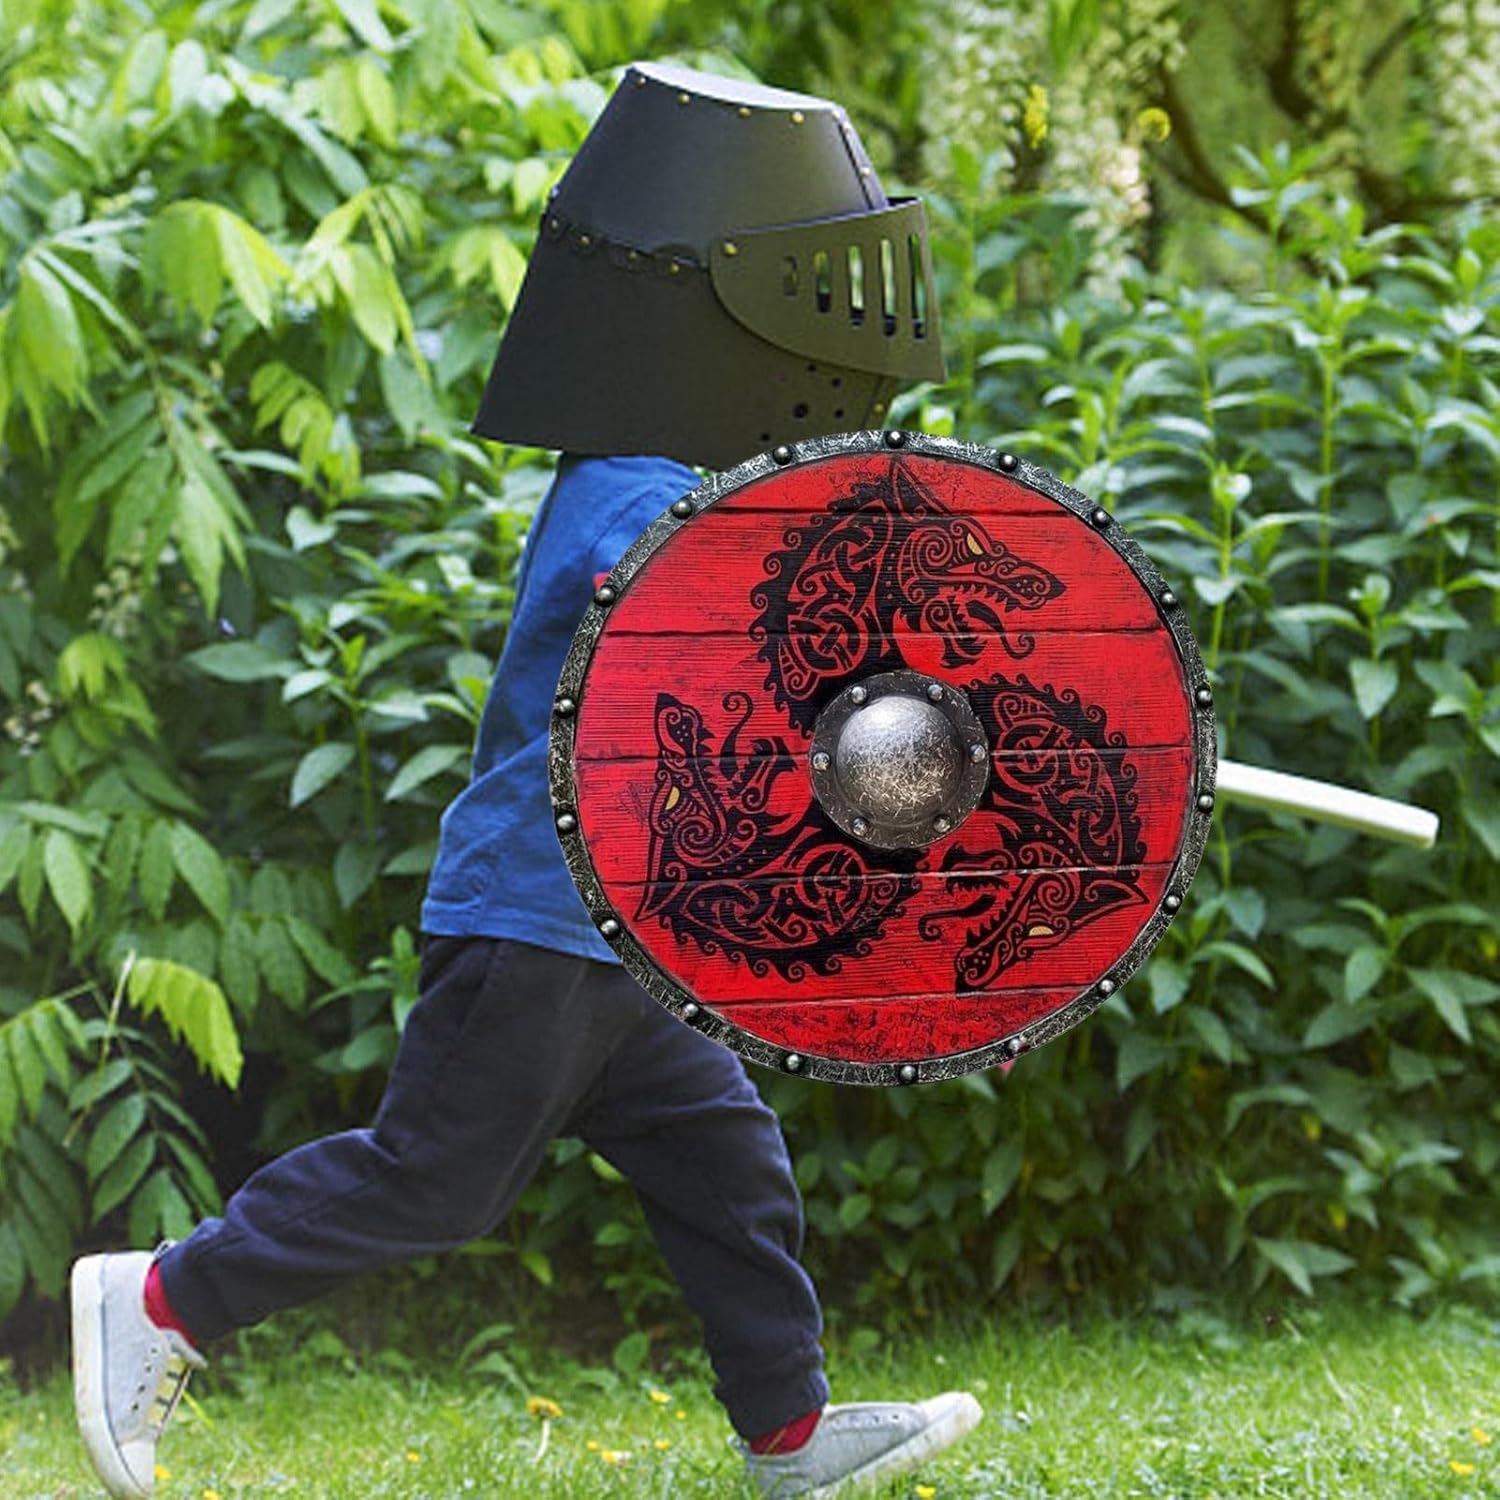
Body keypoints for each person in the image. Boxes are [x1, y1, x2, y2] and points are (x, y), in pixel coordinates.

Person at [70, 60, 980, 1499]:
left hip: (628, 926)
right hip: (540, 915)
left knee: (727, 1162)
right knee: (435, 1177)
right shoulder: (631, 483)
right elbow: (669, 605)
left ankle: (788, 1432)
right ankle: (164, 1296)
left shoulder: (694, 488)